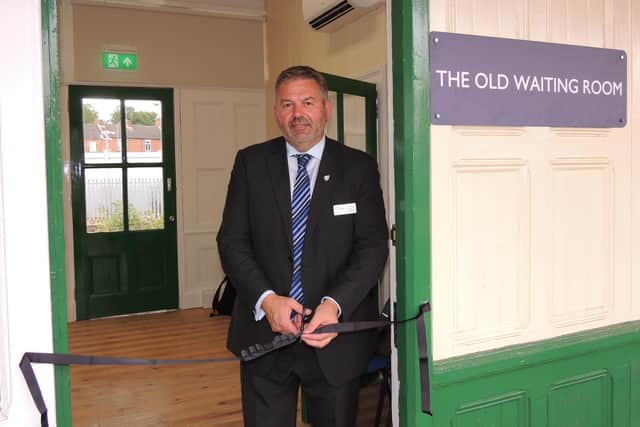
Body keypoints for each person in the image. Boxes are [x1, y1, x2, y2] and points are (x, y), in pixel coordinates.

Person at [217, 65, 389, 427]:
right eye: (287, 104)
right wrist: (267, 299)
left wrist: (333, 305)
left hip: (333, 340)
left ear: (326, 108)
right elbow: (232, 242)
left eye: (308, 102)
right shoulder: (250, 163)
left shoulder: (357, 167)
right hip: (265, 334)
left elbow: (372, 248)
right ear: (276, 112)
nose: (298, 114)